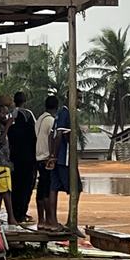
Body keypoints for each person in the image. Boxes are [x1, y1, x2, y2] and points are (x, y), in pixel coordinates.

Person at [47, 101, 77, 233]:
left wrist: (51, 155)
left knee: (53, 188)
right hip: (64, 159)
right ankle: (71, 221)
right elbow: (59, 135)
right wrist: (54, 156)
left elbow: (51, 136)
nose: (81, 101)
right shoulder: (66, 113)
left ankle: (53, 222)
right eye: (79, 98)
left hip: (56, 157)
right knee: (76, 187)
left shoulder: (59, 113)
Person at [8, 91, 37, 224]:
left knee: (15, 186)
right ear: (25, 100)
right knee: (26, 186)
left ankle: (15, 213)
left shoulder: (10, 115)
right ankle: (21, 213)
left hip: (14, 157)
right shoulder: (28, 114)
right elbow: (34, 135)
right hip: (27, 157)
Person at [35, 95, 61, 230]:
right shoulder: (51, 120)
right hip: (47, 157)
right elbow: (53, 138)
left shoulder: (40, 119)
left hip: (38, 157)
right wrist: (53, 156)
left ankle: (41, 220)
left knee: (41, 189)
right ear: (56, 107)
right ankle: (50, 220)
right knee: (48, 190)